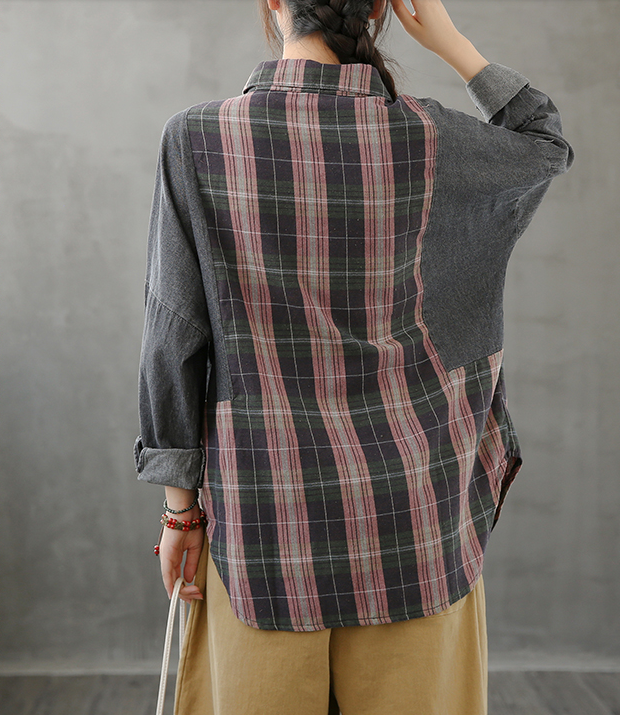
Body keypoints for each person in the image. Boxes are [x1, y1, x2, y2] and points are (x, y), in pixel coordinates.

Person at [134, 0, 573, 712]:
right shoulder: (431, 137)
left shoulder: (196, 139)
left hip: (263, 526)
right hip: (415, 526)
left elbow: (174, 335)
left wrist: (179, 513)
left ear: (273, 2)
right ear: (377, 9)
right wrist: (453, 42)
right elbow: (544, 142)